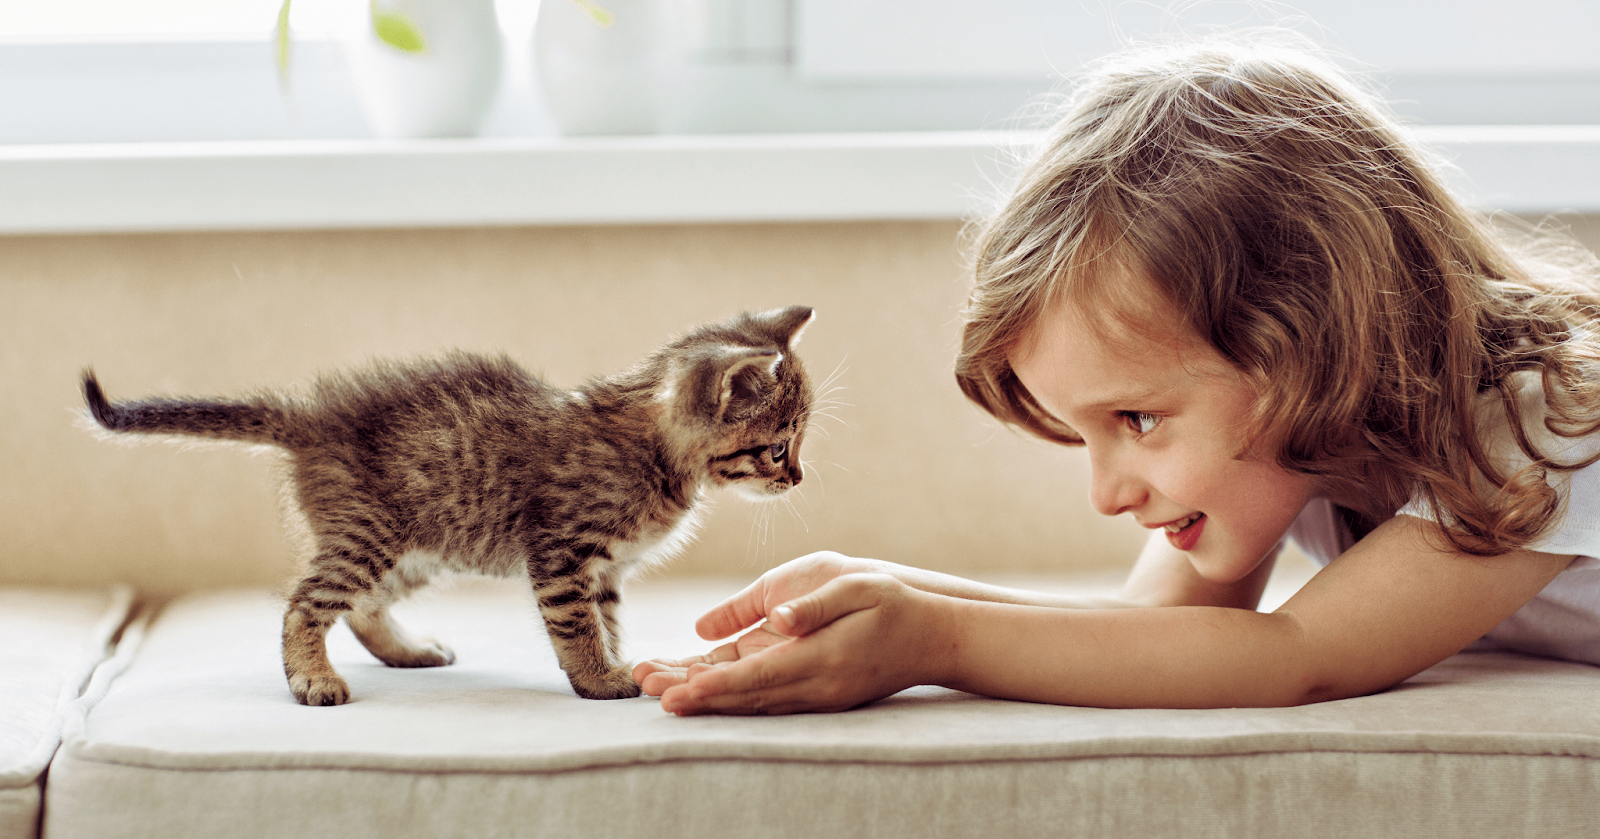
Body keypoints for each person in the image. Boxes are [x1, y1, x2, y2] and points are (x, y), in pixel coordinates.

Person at [631, 34, 1600, 714]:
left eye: (1135, 417)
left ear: (1305, 343)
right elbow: (1149, 625)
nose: (1104, 492)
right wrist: (881, 589)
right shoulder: (1295, 456)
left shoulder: (1540, 424)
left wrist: (933, 639)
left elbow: (1293, 657)